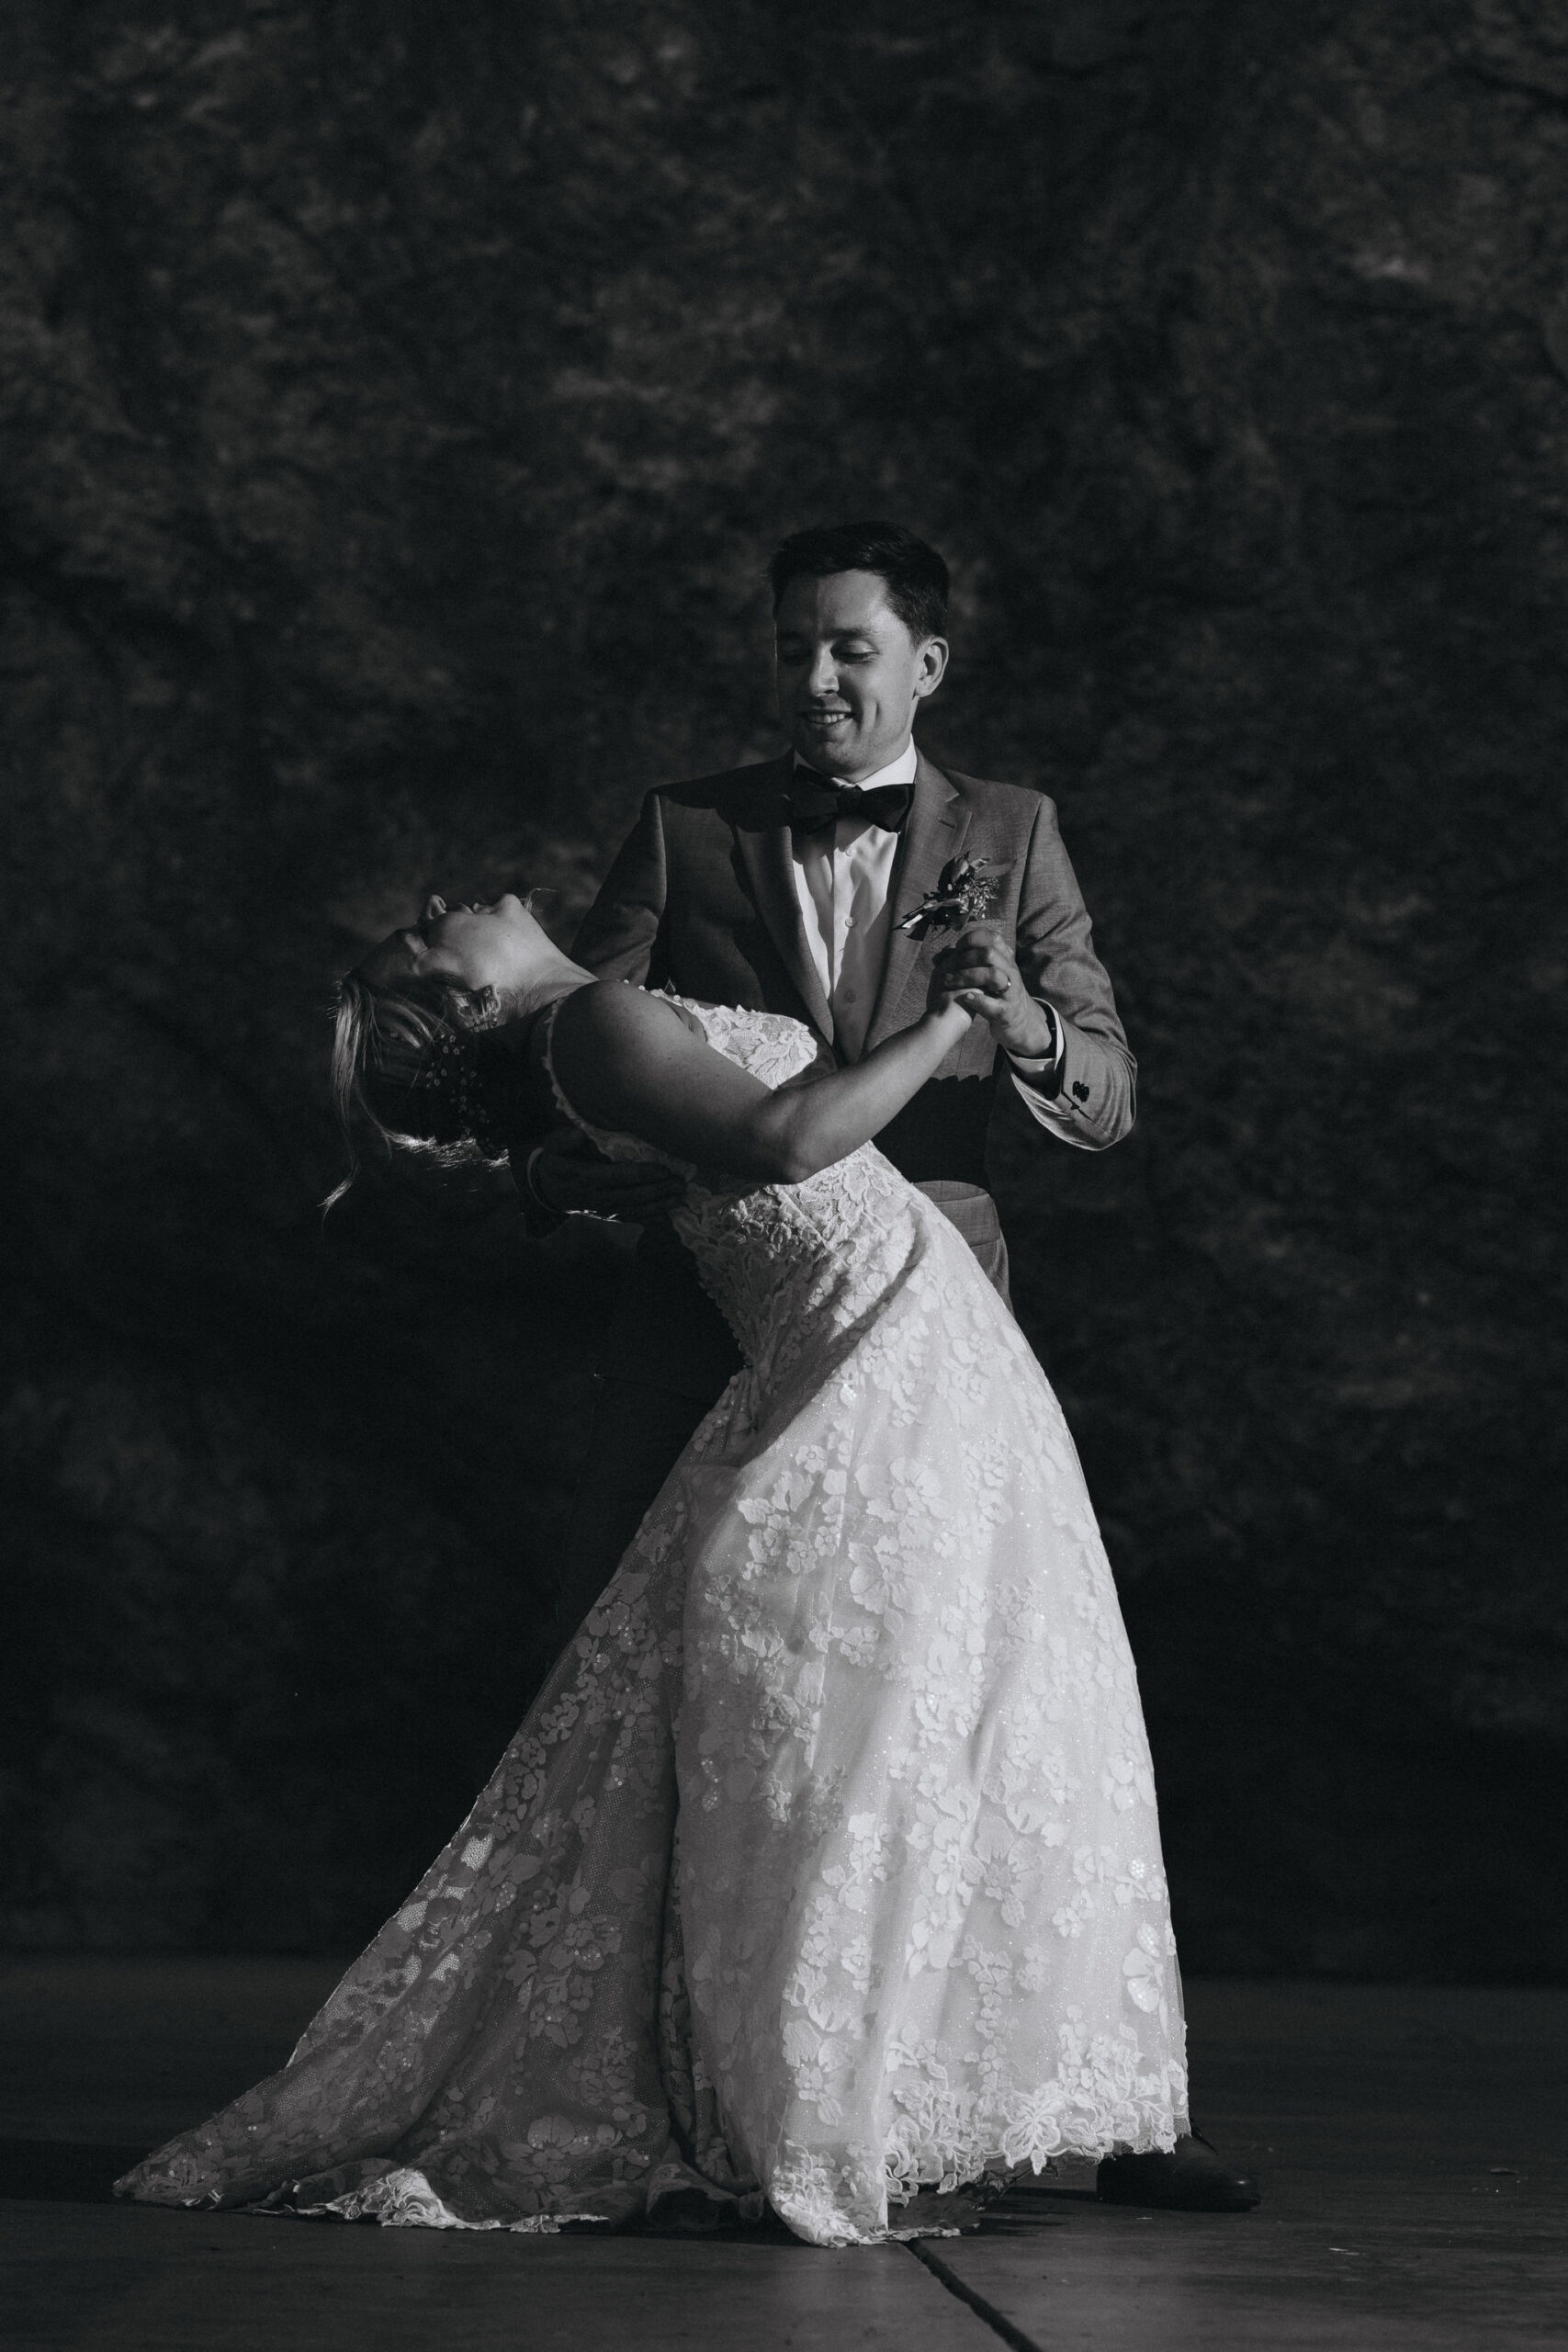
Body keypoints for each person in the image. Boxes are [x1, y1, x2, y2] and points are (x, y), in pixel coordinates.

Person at [116, 890, 1214, 2244]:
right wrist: (952, 1015)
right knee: (882, 1727)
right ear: (471, 1001)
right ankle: (819, 2102)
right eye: (413, 941)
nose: (426, 906)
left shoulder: (595, 1024)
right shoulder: (592, 1020)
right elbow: (791, 1137)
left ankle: (905, 2091)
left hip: (923, 1350)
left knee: (939, 1721)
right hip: (873, 1358)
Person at [520, 519, 1255, 2212]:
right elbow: (567, 1078)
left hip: (931, 1304)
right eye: (791, 646)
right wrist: (676, 1171)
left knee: (979, 1691)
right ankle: (704, 2099)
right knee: (715, 1696)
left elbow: (1108, 1089)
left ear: (929, 661)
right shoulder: (682, 828)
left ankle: (1089, 2099)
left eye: (850, 645)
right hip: (724, 1317)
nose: (816, 676)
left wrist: (1020, 1026)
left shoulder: (1015, 834)